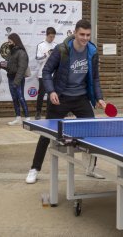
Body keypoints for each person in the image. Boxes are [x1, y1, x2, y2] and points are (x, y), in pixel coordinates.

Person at [26, 19, 107, 184]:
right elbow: (47, 71)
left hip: (81, 97)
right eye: (82, 34)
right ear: (75, 33)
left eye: (88, 35)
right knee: (46, 134)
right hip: (60, 98)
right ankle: (34, 169)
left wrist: (99, 97)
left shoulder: (92, 51)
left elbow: (95, 78)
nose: (85, 38)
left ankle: (90, 168)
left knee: (93, 132)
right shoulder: (62, 49)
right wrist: (51, 91)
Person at [2, 33, 30, 125]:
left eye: (10, 41)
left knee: (21, 97)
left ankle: (27, 118)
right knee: (14, 98)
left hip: (18, 79)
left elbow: (22, 68)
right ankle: (18, 118)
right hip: (11, 77)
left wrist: (16, 82)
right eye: (8, 41)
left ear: (15, 41)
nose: (8, 43)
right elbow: (11, 66)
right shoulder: (11, 52)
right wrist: (3, 66)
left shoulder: (21, 52)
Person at [34, 27, 57, 120]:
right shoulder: (41, 45)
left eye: (53, 37)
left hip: (53, 74)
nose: (52, 38)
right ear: (47, 35)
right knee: (41, 94)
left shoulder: (56, 45)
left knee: (51, 94)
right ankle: (38, 112)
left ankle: (49, 112)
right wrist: (47, 54)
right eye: (51, 36)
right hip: (42, 74)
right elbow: (37, 59)